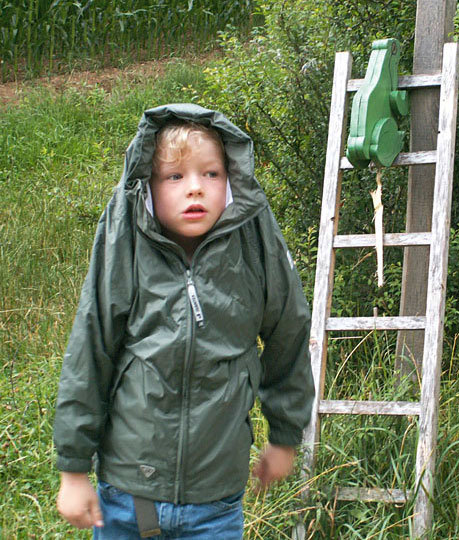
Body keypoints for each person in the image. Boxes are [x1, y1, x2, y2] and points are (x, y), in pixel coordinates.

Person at [53, 103, 314, 538]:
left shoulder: (253, 238)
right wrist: (73, 470)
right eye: (175, 177)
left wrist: (285, 436)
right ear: (149, 185)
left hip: (216, 502)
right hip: (126, 495)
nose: (196, 189)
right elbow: (90, 344)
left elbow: (289, 330)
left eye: (211, 174)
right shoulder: (126, 236)